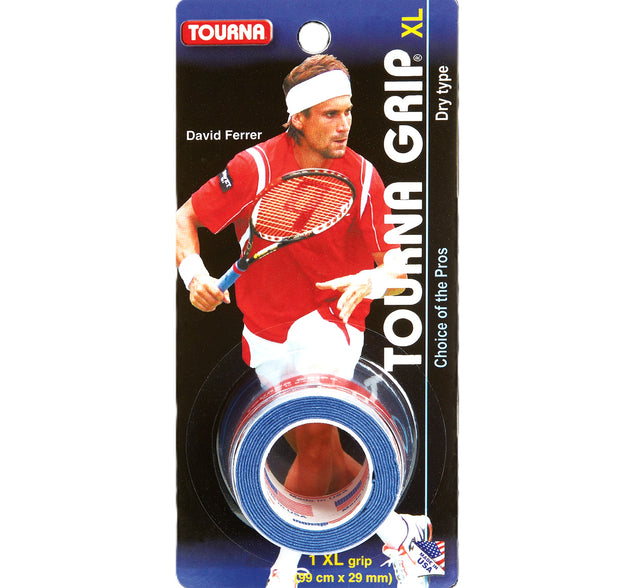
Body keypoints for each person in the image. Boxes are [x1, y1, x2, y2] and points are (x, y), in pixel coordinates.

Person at [176, 54, 432, 588]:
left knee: (313, 438)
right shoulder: (255, 167)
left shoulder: (363, 175)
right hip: (264, 329)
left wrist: (374, 281)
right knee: (319, 444)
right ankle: (400, 531)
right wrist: (194, 275)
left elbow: (397, 268)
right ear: (298, 117)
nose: (345, 124)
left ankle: (287, 566)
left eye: (348, 111)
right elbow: (185, 219)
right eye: (330, 114)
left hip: (330, 320)